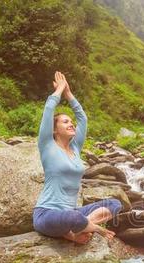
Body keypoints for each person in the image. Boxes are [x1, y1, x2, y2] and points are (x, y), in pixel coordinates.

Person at [32, 71, 121, 244]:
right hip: (46, 213)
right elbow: (49, 109)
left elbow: (83, 119)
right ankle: (84, 230)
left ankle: (76, 230)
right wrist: (59, 90)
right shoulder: (47, 145)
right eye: (65, 122)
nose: (71, 123)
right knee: (72, 217)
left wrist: (69, 94)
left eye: (70, 121)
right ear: (54, 130)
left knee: (115, 204)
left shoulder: (75, 148)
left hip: (72, 212)